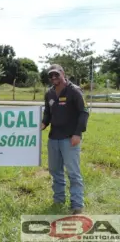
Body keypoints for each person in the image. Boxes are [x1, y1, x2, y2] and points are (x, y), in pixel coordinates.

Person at [41, 64, 89, 215]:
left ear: (63, 73)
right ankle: (59, 200)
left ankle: (77, 205)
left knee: (73, 172)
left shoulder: (74, 90)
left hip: (70, 138)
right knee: (55, 171)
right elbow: (48, 113)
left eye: (56, 74)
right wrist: (43, 123)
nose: (54, 78)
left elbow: (84, 112)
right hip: (53, 138)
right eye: (51, 76)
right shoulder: (49, 93)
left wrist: (77, 133)